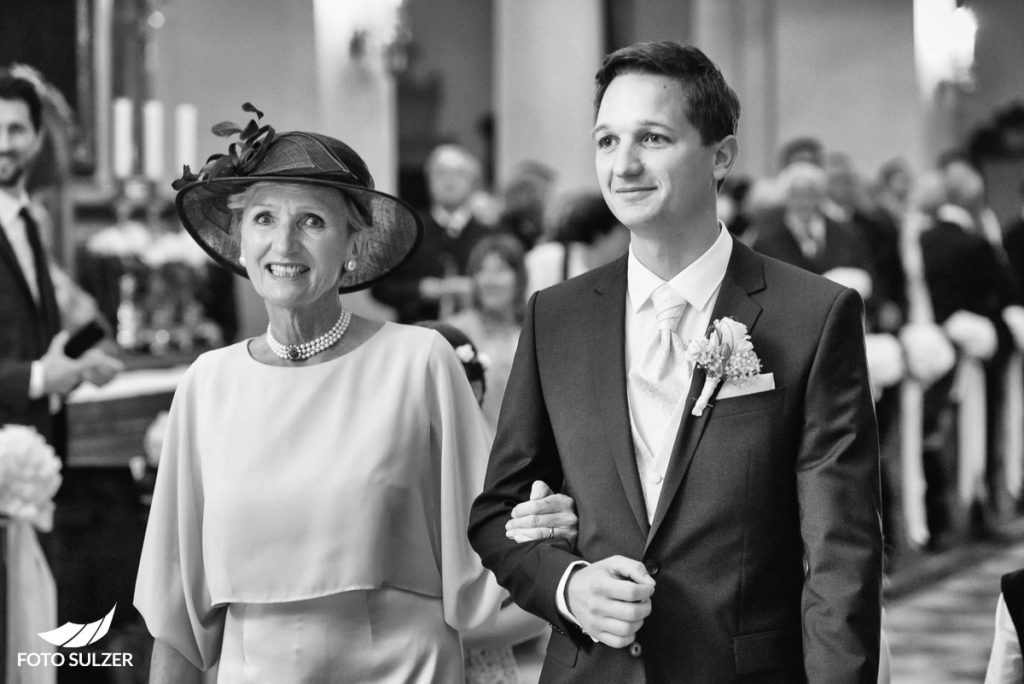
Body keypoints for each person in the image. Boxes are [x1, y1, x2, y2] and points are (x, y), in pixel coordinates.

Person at [469, 41, 882, 683]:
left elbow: (841, 559)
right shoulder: (556, 316)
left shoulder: (813, 316)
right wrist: (570, 586)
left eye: (653, 138)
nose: (624, 165)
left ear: (721, 155)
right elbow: (499, 513)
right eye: (607, 141)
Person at [134, 110, 573, 682]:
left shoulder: (419, 364)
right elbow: (178, 625)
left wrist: (554, 530)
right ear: (241, 241)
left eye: (312, 220)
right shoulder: (206, 385)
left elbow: (496, 550)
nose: (283, 242)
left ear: (352, 244)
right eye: (264, 217)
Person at [0, 70, 121, 456]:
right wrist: (38, 378)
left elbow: (31, 341)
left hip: (40, 451)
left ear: (37, 139)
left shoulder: (28, 223)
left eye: (16, 129)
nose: (3, 144)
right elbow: (34, 370)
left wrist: (77, 365)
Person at [371, 143, 497, 322]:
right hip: (416, 330)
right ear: (428, 180)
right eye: (441, 173)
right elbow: (380, 288)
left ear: (472, 182)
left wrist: (476, 288)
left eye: (459, 173)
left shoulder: (489, 235)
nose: (449, 181)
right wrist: (420, 290)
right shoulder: (406, 230)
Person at [445, 234, 527, 430]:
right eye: (481, 270)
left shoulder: (532, 329)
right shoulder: (455, 331)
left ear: (519, 277)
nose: (490, 280)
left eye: (500, 270)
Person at [524, 191, 629, 296]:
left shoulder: (619, 273)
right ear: (600, 234)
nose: (628, 241)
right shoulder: (547, 258)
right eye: (624, 232)